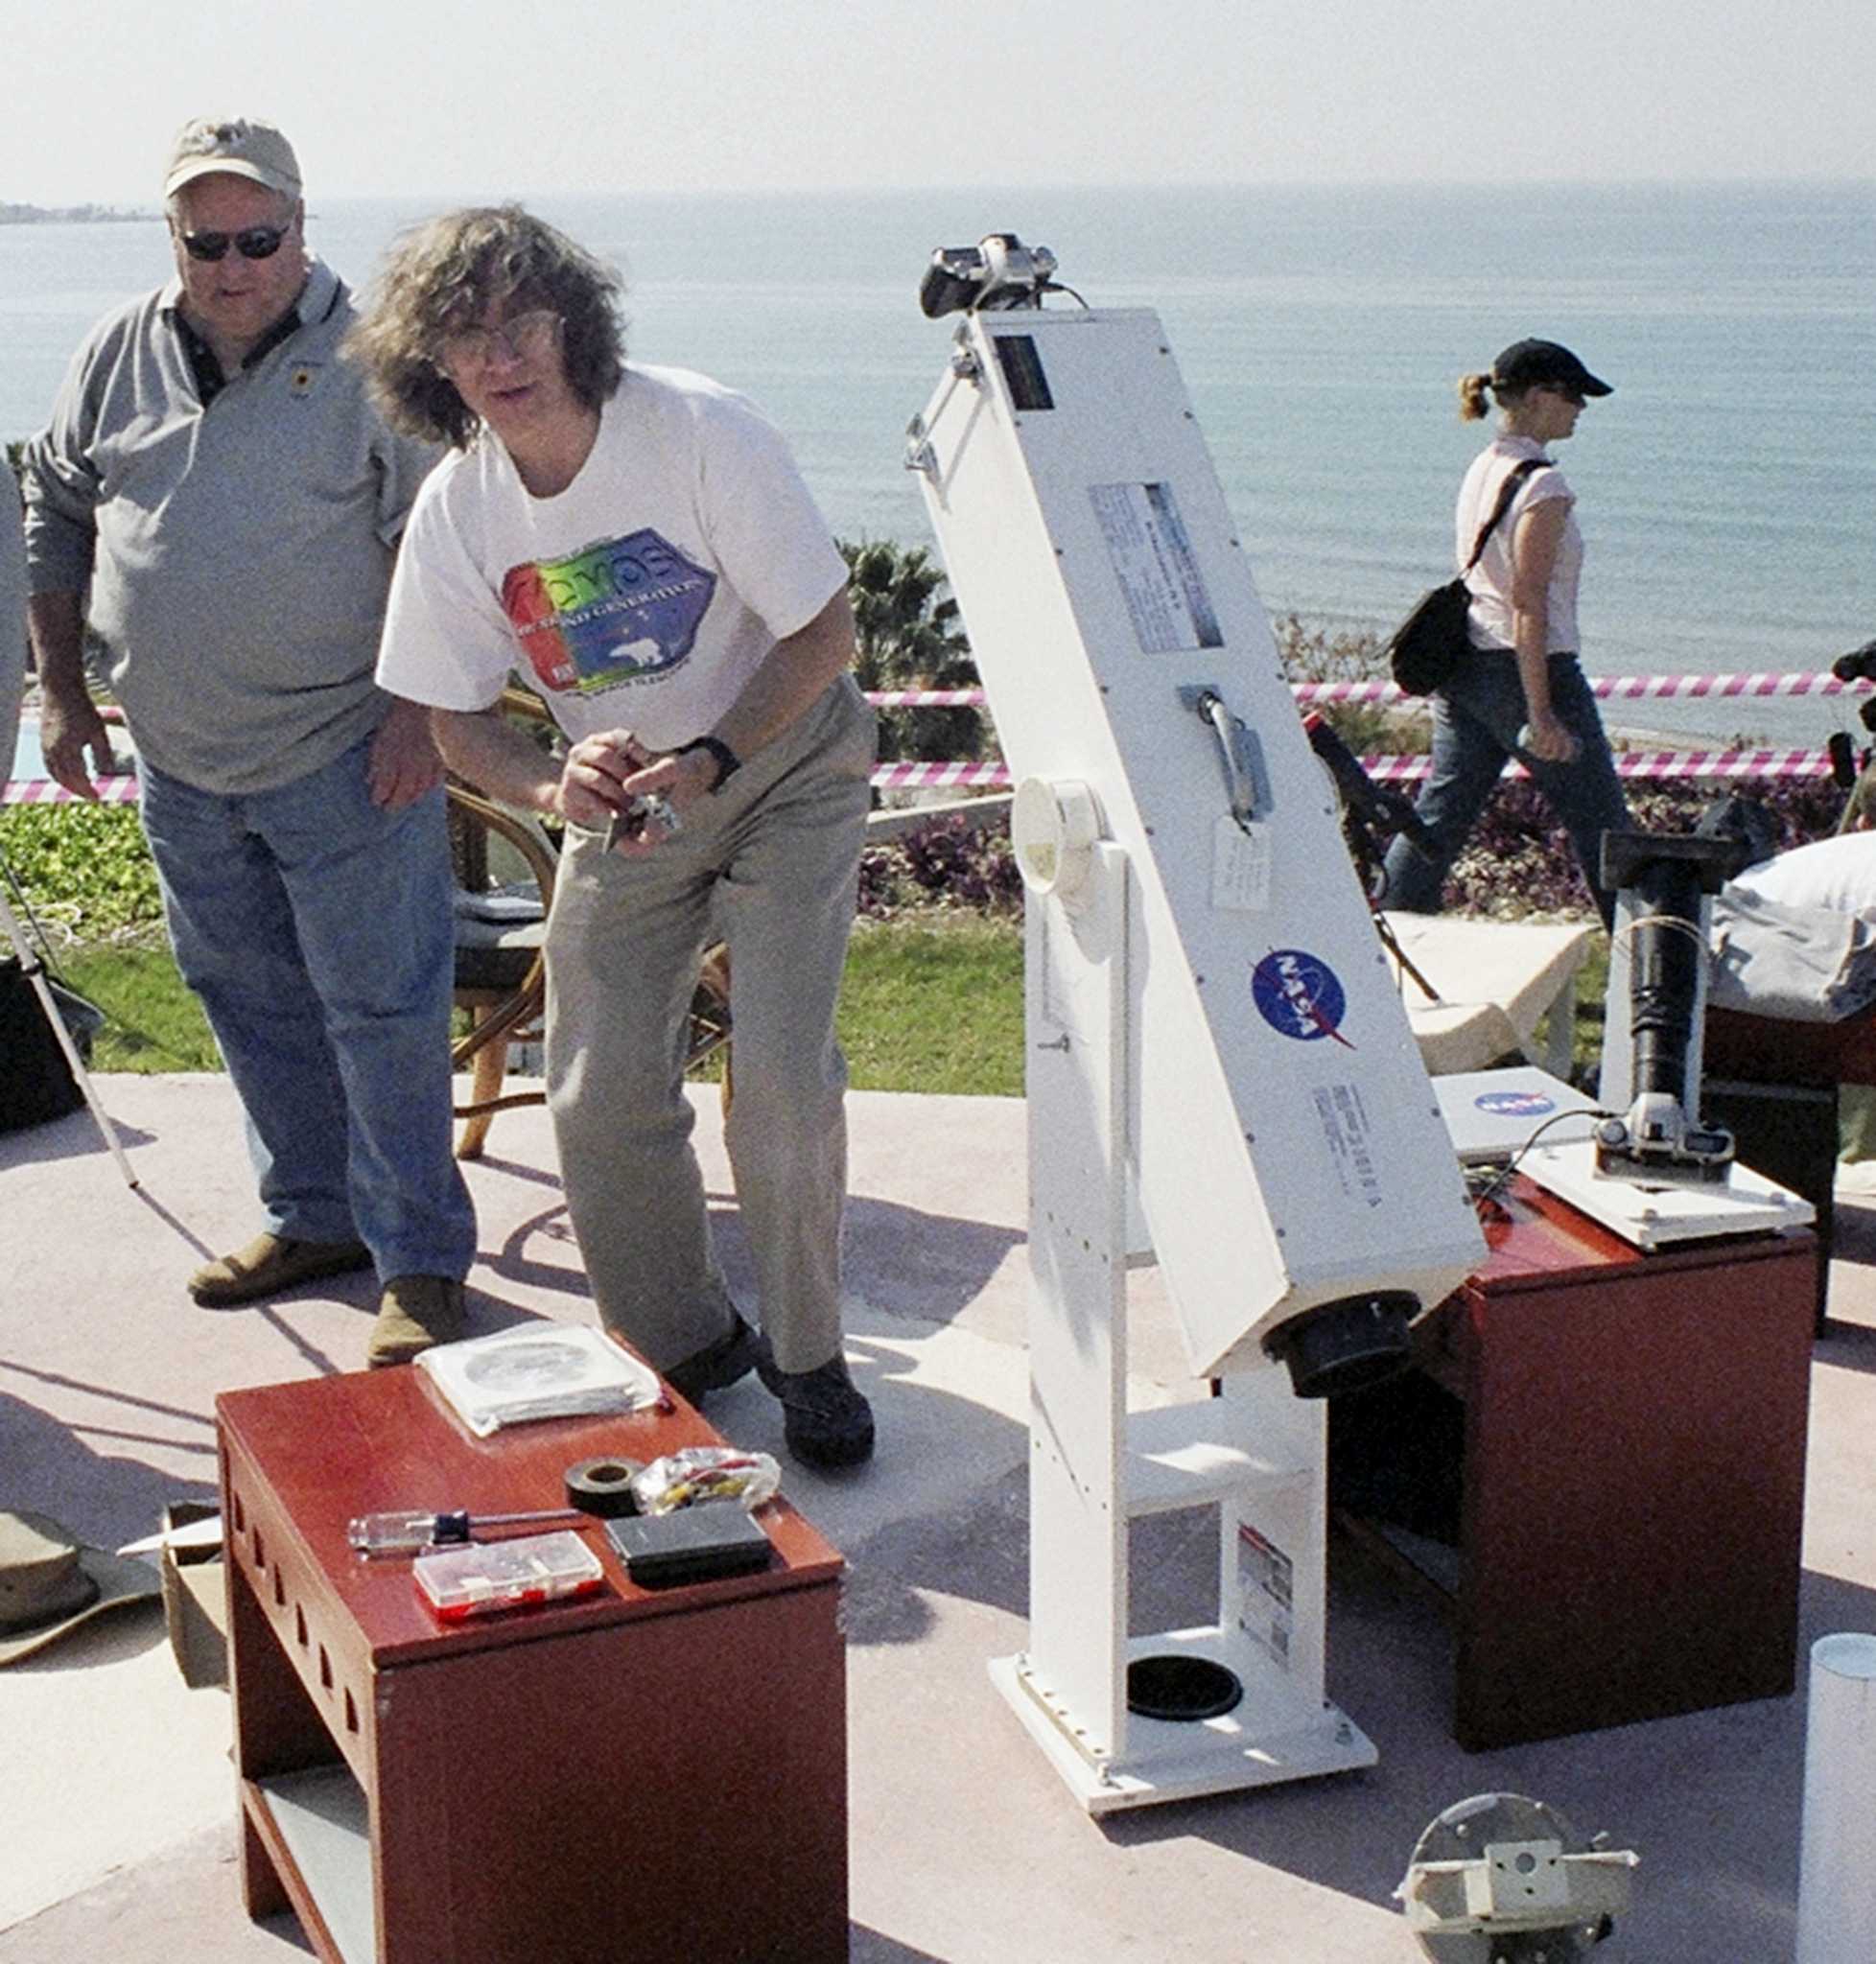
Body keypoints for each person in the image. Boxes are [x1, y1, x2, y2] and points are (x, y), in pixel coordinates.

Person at [355, 206, 878, 1467]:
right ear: (431, 363)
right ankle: (687, 1341)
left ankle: (810, 1360)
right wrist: (551, 782)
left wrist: (716, 758)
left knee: (783, 1075)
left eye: (519, 320)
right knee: (593, 1090)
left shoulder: (698, 430)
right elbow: (455, 717)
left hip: (786, 761)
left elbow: (824, 636)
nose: (497, 356)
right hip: (638, 803)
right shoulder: (461, 511)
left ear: (575, 323)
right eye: (462, 335)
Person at [19, 116, 475, 1367]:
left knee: (381, 1011)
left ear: (301, 226)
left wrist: (417, 717)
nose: (231, 264)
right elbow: (53, 502)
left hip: (347, 749)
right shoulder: (117, 350)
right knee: (249, 999)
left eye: (257, 238)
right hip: (180, 761)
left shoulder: (380, 360)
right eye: (204, 240)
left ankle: (423, 1264)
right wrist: (62, 692)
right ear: (174, 239)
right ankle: (312, 1221)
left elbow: (446, 550)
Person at [1381, 339, 1630, 931]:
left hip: (1465, 663)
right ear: (1542, 396)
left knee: (1440, 814)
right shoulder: (1544, 485)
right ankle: (1647, 968)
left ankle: (1381, 931)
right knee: (1605, 828)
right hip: (1525, 668)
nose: (1580, 409)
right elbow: (1528, 600)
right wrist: (1542, 712)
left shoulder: (1486, 464)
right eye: (1573, 395)